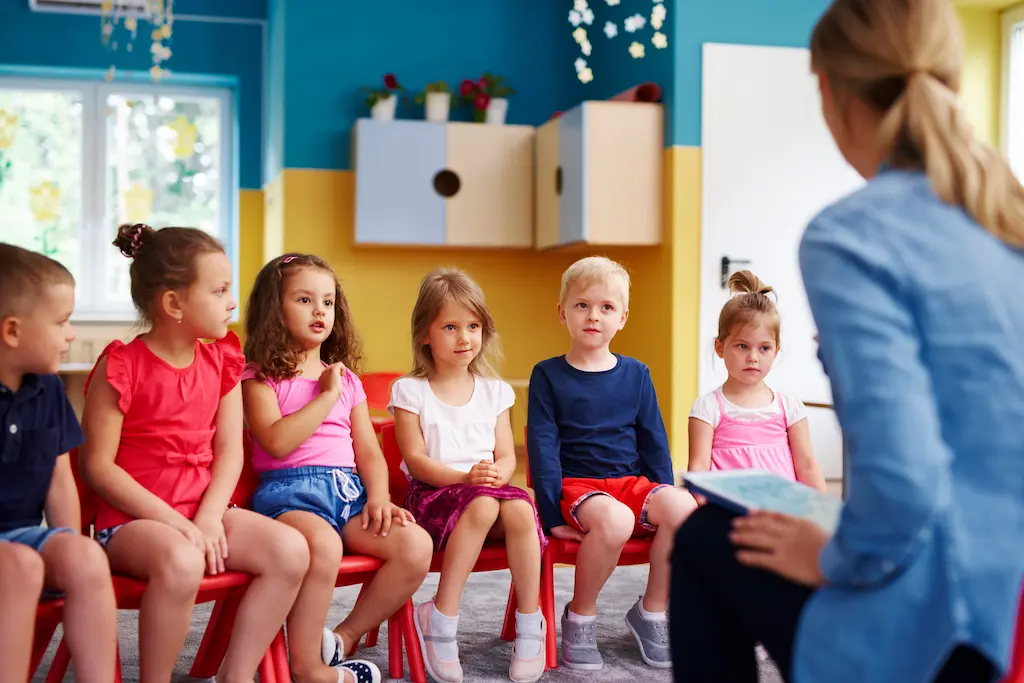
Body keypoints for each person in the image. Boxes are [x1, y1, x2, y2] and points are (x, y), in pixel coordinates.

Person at [669, 0, 1024, 681]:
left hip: (956, 616)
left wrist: (834, 555)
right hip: (1014, 596)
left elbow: (905, 480)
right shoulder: (1007, 214)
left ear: (830, 92)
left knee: (707, 537)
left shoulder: (851, 236)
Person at [79, 225, 310, 683]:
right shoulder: (121, 364)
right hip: (132, 523)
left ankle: (236, 674)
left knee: (290, 551)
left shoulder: (222, 359)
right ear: (174, 304)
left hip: (203, 511)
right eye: (220, 289)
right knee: (183, 558)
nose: (231, 301)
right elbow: (98, 467)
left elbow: (229, 455)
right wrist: (178, 524)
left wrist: (205, 519)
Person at [242, 253, 433, 683]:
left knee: (415, 546)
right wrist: (324, 398)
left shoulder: (346, 380)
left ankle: (342, 638)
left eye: (327, 302)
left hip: (349, 495)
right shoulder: (257, 377)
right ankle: (307, 666)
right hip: (289, 496)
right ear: (275, 308)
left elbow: (368, 450)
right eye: (305, 299)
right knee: (323, 546)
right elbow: (275, 440)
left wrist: (380, 498)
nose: (319, 311)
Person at [527, 256, 697, 671]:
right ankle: (580, 616)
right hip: (578, 488)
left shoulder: (637, 374)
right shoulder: (547, 375)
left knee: (684, 508)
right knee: (617, 520)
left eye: (606, 308)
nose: (593, 316)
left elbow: (655, 442)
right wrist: (549, 515)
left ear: (622, 317)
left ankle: (651, 611)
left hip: (631, 483)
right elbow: (542, 449)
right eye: (582, 305)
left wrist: (663, 494)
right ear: (562, 311)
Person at [390, 268, 547, 683]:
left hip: (486, 497)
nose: (465, 338)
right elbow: (417, 460)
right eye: (451, 327)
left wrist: (498, 474)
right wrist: (467, 479)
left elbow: (505, 455)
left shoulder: (495, 391)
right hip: (433, 500)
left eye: (473, 326)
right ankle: (442, 618)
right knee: (482, 503)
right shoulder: (410, 390)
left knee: (520, 508)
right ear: (425, 333)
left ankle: (531, 622)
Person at [0, 244, 117, 683]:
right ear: (12, 331)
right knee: (21, 566)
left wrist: (67, 541)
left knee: (85, 556)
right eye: (62, 322)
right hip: (11, 555)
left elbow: (59, 477)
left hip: (22, 534)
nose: (71, 334)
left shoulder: (47, 388)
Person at [688, 270, 826, 491]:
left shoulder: (790, 408)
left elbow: (807, 466)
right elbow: (698, 468)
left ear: (776, 350)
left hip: (780, 511)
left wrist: (824, 515)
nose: (753, 357)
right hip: (728, 514)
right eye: (742, 346)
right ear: (720, 347)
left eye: (764, 348)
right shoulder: (707, 408)